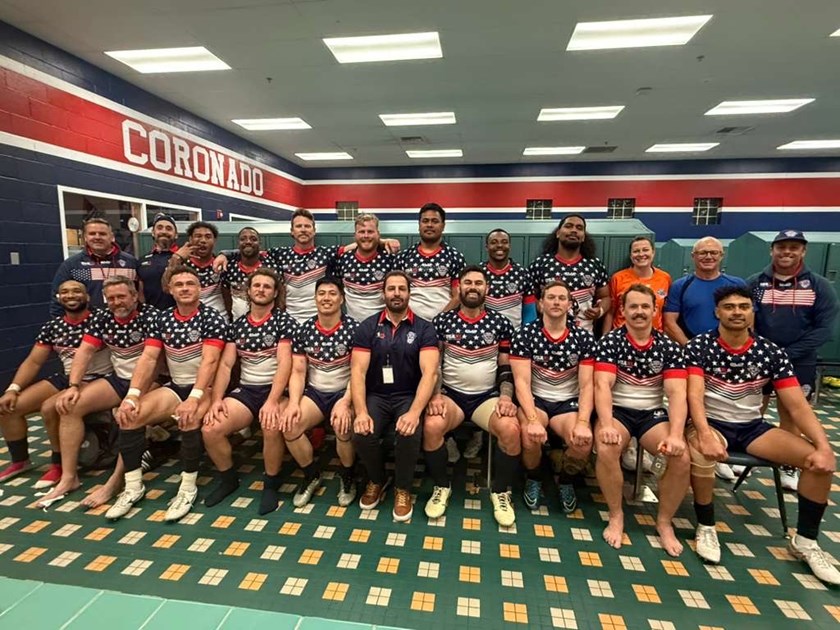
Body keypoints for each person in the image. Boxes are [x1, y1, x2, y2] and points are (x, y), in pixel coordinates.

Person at [684, 286, 839, 585]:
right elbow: (694, 395)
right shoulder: (699, 347)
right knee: (703, 452)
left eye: (743, 307)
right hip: (711, 422)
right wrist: (703, 432)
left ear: (752, 312)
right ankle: (706, 526)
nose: (737, 312)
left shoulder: (771, 353)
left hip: (752, 427)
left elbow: (796, 404)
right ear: (717, 312)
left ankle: (805, 542)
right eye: (729, 307)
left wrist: (823, 445)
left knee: (816, 461)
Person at [107, 266, 225, 522]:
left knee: (189, 418)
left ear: (199, 288)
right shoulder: (161, 319)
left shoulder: (211, 317)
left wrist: (194, 399)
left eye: (190, 283)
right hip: (175, 385)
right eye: (179, 284)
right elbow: (149, 358)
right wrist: (133, 394)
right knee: (131, 415)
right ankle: (133, 486)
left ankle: (187, 487)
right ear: (170, 290)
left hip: (205, 388)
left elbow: (210, 362)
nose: (184, 288)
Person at [36, 276, 159, 508]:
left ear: (134, 296)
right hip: (118, 379)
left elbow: (150, 359)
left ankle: (115, 482)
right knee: (69, 406)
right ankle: (68, 477)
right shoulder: (102, 317)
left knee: (129, 415)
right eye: (111, 298)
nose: (116, 302)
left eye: (121, 296)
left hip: (151, 381)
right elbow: (85, 351)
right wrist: (73, 385)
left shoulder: (151, 316)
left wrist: (134, 394)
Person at [593, 284, 691, 557]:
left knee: (681, 457)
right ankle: (616, 514)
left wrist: (675, 434)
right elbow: (602, 386)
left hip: (652, 414)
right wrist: (607, 424)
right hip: (617, 411)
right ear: (622, 311)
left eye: (645, 306)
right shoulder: (610, 342)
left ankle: (664, 522)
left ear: (654, 310)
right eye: (633, 307)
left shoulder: (669, 347)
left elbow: (676, 393)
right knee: (607, 446)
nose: (639, 312)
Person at [423, 266, 519, 526]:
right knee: (431, 426)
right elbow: (434, 366)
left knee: (511, 429)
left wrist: (506, 397)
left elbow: (505, 366)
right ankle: (442, 486)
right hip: (451, 396)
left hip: (485, 397)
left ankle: (500, 492)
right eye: (468, 282)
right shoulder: (442, 322)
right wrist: (434, 396)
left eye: (479, 282)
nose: (473, 287)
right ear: (459, 288)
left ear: (487, 288)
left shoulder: (501, 323)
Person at [748, 230, 840, 490]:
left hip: (799, 361)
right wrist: (761, 351)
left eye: (793, 248)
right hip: (759, 359)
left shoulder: (819, 286)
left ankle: (788, 464)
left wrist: (785, 355)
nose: (787, 252)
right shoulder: (756, 283)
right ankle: (745, 455)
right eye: (782, 247)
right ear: (772, 250)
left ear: (803, 251)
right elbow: (746, 318)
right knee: (754, 406)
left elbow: (824, 329)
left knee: (792, 412)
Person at [0, 281, 112, 486]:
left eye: (77, 291)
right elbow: (34, 361)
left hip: (98, 378)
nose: (71, 295)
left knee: (50, 407)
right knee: (8, 407)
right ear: (58, 298)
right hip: (66, 378)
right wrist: (13, 389)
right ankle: (20, 461)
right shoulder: (53, 327)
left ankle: (58, 463)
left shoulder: (103, 320)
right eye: (65, 292)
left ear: (87, 297)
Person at [201, 268, 295, 513]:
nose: (261, 290)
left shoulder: (285, 322)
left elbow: (285, 363)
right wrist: (216, 399)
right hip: (247, 391)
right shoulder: (238, 325)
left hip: (277, 390)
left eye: (267, 286)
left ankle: (271, 483)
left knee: (271, 425)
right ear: (248, 291)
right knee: (211, 428)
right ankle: (228, 479)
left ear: (275, 293)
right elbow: (226, 364)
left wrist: (273, 401)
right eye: (257, 285)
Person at [350, 270, 439, 521]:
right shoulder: (367, 326)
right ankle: (378, 480)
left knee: (409, 432)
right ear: (383, 293)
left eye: (402, 289)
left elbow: (430, 373)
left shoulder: (424, 328)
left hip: (408, 395)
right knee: (362, 431)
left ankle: (403, 488)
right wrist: (361, 412)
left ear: (410, 293)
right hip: (376, 395)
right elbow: (357, 371)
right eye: (392, 289)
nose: (397, 294)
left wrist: (414, 413)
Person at [662, 236, 745, 482]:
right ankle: (699, 445)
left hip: (728, 356)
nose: (708, 257)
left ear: (722, 256)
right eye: (702, 253)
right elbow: (670, 321)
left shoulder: (736, 284)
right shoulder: (681, 285)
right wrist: (694, 350)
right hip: (690, 354)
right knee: (690, 400)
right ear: (693, 257)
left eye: (713, 252)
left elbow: (745, 318)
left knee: (724, 400)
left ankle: (721, 453)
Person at [512, 280, 595, 514]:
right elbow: (521, 382)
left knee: (583, 442)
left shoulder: (584, 338)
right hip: (536, 399)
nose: (556, 302)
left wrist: (582, 422)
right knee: (530, 435)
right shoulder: (525, 335)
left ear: (570, 304)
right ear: (540, 304)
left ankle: (566, 482)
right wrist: (531, 418)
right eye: (551, 297)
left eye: (562, 298)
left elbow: (588, 385)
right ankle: (534, 477)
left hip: (567, 403)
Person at [280, 277, 359, 508]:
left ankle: (347, 475)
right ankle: (311, 475)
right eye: (321, 293)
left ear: (342, 298)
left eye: (332, 293)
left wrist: (346, 401)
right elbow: (297, 371)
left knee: (342, 425)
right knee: (289, 425)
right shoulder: (304, 329)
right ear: (314, 298)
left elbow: (358, 373)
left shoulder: (354, 329)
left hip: (345, 392)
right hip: (315, 393)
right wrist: (294, 403)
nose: (326, 298)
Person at [527, 214, 609, 333]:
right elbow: (529, 295)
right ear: (558, 233)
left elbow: (605, 296)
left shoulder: (595, 265)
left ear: (583, 237)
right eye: (568, 226)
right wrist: (540, 307)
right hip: (547, 334)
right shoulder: (541, 264)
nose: (574, 230)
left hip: (584, 334)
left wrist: (600, 310)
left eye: (579, 228)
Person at [50, 217, 138, 316]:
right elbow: (58, 298)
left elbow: (139, 294)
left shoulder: (130, 262)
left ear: (112, 237)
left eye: (102, 234)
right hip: (88, 325)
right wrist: (62, 326)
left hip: (126, 322)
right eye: (92, 234)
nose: (97, 237)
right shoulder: (72, 265)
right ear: (85, 237)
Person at [395, 203, 466, 321]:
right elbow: (397, 294)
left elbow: (458, 296)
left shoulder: (455, 257)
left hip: (444, 323)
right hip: (408, 324)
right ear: (419, 225)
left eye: (435, 221)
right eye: (425, 221)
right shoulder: (404, 257)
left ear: (443, 225)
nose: (429, 225)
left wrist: (440, 319)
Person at [332, 213, 396, 322]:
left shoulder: (390, 259)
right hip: (352, 327)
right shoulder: (343, 259)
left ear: (378, 234)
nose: (366, 235)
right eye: (361, 232)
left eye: (370, 231)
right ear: (355, 235)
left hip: (382, 327)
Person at [604, 236, 671, 332]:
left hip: (654, 337)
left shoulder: (665, 278)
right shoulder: (618, 278)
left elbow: (665, 313)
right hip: (622, 337)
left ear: (653, 253)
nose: (641, 254)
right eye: (636, 251)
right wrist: (605, 338)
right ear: (631, 256)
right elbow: (610, 312)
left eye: (645, 250)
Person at [166, 221, 227, 319]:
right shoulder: (180, 264)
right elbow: (166, 288)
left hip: (219, 320)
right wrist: (175, 258)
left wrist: (225, 254)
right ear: (190, 239)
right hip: (188, 322)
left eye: (208, 237)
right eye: (198, 236)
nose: (203, 240)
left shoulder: (221, 263)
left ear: (214, 240)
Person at [481, 228, 536, 329]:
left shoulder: (523, 274)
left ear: (509, 246)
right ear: (486, 247)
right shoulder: (478, 273)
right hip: (482, 338)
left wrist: (526, 335)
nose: (499, 245)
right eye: (494, 242)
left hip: (514, 337)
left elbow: (530, 312)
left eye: (504, 242)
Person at [220, 227, 271, 320]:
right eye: (243, 239)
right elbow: (226, 295)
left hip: (268, 323)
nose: (248, 242)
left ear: (260, 243)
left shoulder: (271, 265)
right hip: (238, 324)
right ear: (238, 244)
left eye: (253, 239)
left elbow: (280, 292)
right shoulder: (229, 267)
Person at [137, 213, 178, 309]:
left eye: (169, 229)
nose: (164, 231)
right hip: (151, 316)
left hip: (180, 317)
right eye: (159, 228)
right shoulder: (141, 261)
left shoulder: (184, 258)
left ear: (176, 235)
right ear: (153, 232)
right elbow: (140, 293)